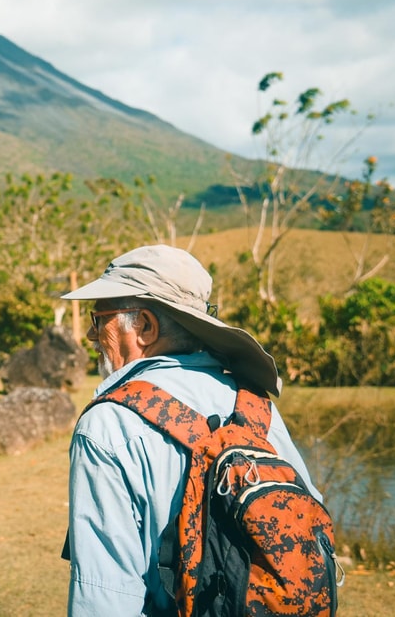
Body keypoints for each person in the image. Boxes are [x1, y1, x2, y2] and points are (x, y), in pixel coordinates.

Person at [60, 244, 320, 616]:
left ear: (145, 327)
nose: (90, 333)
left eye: (99, 318)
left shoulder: (108, 425)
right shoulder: (254, 405)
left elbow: (106, 589)